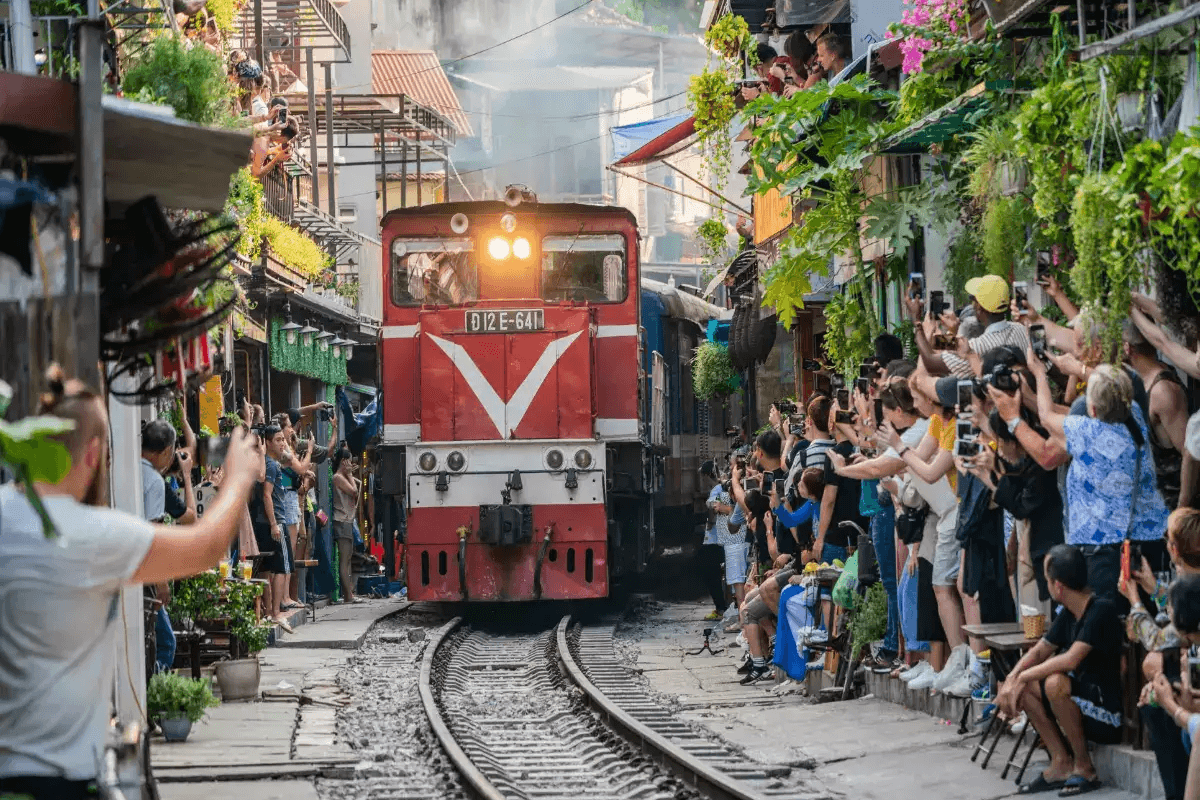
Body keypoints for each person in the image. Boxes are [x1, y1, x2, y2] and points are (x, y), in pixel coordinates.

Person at [0, 372, 261, 800]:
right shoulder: (89, 534)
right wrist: (237, 478)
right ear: (91, 454)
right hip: (58, 777)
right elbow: (205, 546)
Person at [1019, 353, 1170, 603]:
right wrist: (1078, 369)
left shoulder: (1088, 432)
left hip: (1102, 547)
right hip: (1143, 539)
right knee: (1145, 615)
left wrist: (1038, 373)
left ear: (1092, 409)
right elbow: (1117, 391)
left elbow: (1045, 417)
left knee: (1109, 618)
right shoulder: (1136, 419)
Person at [996, 545, 1124, 796]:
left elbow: (1070, 660)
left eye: (1047, 580)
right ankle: (1061, 763)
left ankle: (1084, 767)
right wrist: (1013, 679)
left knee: (1054, 683)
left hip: (1105, 712)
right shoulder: (1068, 613)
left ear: (1058, 586)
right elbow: (1040, 651)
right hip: (1078, 703)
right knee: (1028, 687)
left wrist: (1023, 675)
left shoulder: (1100, 609)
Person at [911, 276, 1029, 378]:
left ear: (978, 307)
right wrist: (953, 330)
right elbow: (937, 343)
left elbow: (931, 363)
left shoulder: (977, 347)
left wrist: (917, 322)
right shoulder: (1021, 329)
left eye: (974, 300)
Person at [1125, 323, 1189, 510]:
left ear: (1127, 348)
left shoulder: (1162, 391)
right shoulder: (1142, 380)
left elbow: (1189, 452)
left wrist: (1182, 510)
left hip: (1171, 505)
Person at [140, 419, 179, 675]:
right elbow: (154, 531)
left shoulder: (127, 469)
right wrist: (162, 581)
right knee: (164, 643)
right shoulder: (153, 480)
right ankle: (154, 695)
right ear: (166, 451)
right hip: (146, 569)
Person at [260, 425, 295, 629]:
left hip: (265, 521)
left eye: (284, 439)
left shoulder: (265, 463)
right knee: (281, 567)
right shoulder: (271, 466)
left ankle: (269, 611)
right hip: (276, 521)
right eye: (279, 440)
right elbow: (267, 494)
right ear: (268, 442)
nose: (283, 443)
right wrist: (275, 524)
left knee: (266, 569)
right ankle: (275, 612)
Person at [699, 461, 731, 621]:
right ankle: (722, 607)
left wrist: (710, 523)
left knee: (710, 574)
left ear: (706, 475)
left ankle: (721, 608)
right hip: (720, 538)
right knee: (717, 574)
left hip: (714, 539)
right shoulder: (721, 487)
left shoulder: (716, 489)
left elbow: (713, 508)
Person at [332, 449, 362, 604]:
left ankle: (349, 593)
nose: (351, 464)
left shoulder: (341, 477)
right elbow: (354, 491)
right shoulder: (338, 477)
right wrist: (350, 475)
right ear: (343, 462)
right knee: (345, 559)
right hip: (342, 520)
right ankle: (348, 596)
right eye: (349, 461)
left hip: (346, 521)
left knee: (348, 557)